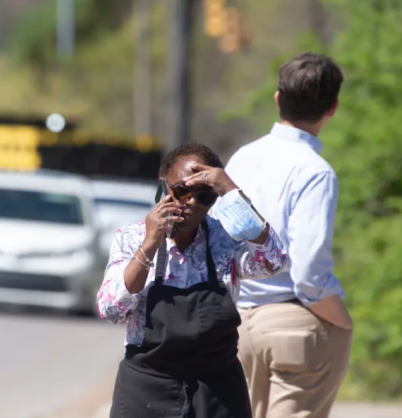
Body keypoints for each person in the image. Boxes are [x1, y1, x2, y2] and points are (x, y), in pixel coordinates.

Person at [97, 143, 290, 418]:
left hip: (218, 390)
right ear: (163, 186)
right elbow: (111, 309)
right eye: (182, 190)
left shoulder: (227, 240)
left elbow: (276, 260)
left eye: (205, 195)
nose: (191, 201)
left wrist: (231, 191)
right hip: (147, 389)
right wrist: (150, 243)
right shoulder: (131, 239)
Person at [224, 52, 353, 418]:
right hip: (294, 320)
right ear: (332, 108)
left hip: (238, 320)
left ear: (278, 98)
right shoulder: (315, 172)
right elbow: (309, 270)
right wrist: (342, 321)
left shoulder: (241, 159)